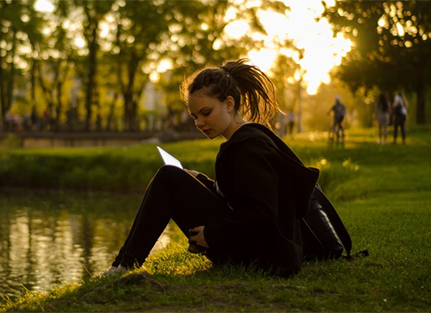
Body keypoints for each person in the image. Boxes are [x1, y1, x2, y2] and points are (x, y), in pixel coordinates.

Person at [104, 59, 319, 277]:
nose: (199, 123)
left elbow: (263, 211)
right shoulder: (243, 141)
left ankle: (124, 265)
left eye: (206, 113)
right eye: (195, 116)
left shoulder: (249, 145)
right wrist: (202, 182)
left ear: (228, 104)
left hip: (263, 256)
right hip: (255, 247)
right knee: (173, 177)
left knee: (168, 177)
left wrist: (213, 234)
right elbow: (241, 197)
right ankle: (122, 263)